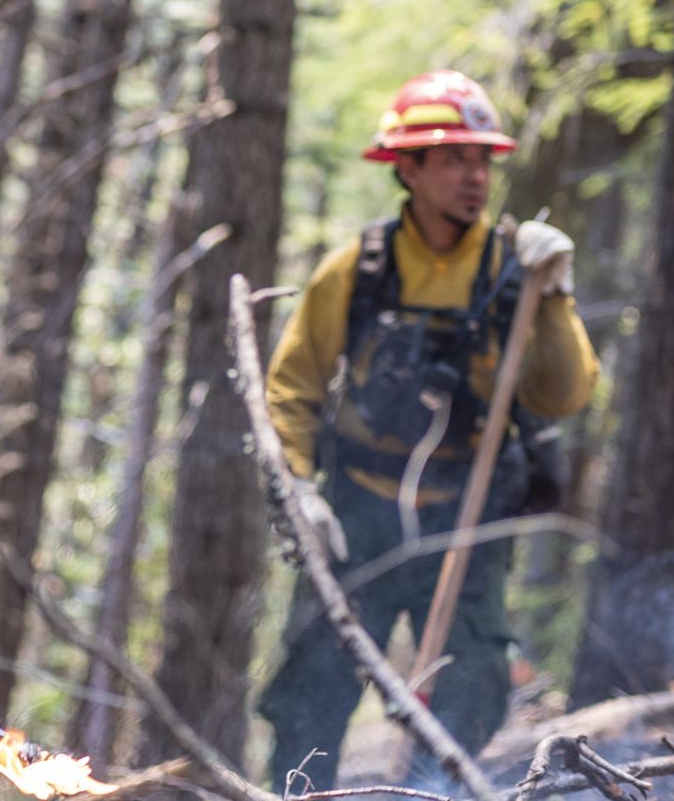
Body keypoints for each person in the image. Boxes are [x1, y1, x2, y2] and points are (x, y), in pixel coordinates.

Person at [255, 70, 600, 789]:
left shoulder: (519, 270)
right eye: (453, 159)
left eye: (483, 160)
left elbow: (564, 394)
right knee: (312, 691)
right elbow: (291, 387)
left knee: (472, 687)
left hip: (468, 523)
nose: (475, 176)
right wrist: (296, 489)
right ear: (405, 168)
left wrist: (558, 295)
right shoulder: (359, 268)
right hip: (358, 515)